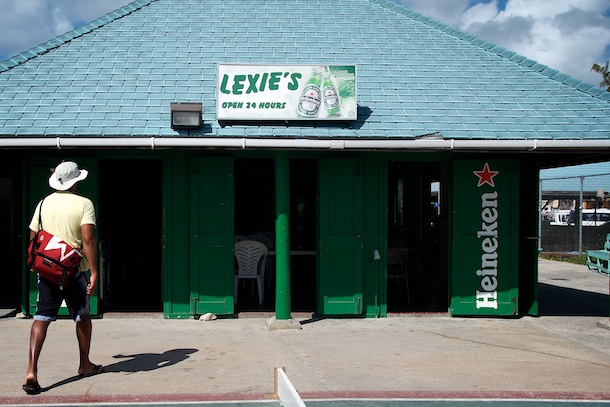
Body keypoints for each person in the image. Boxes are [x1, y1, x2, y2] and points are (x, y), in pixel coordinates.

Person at [23, 161, 103, 395]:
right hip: (74, 271)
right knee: (82, 316)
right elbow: (88, 239)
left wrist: (35, 263)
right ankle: (84, 364)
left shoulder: (43, 203)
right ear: (75, 182)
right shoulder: (84, 204)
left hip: (47, 271)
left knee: (41, 317)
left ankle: (31, 370)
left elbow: (33, 236)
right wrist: (95, 272)